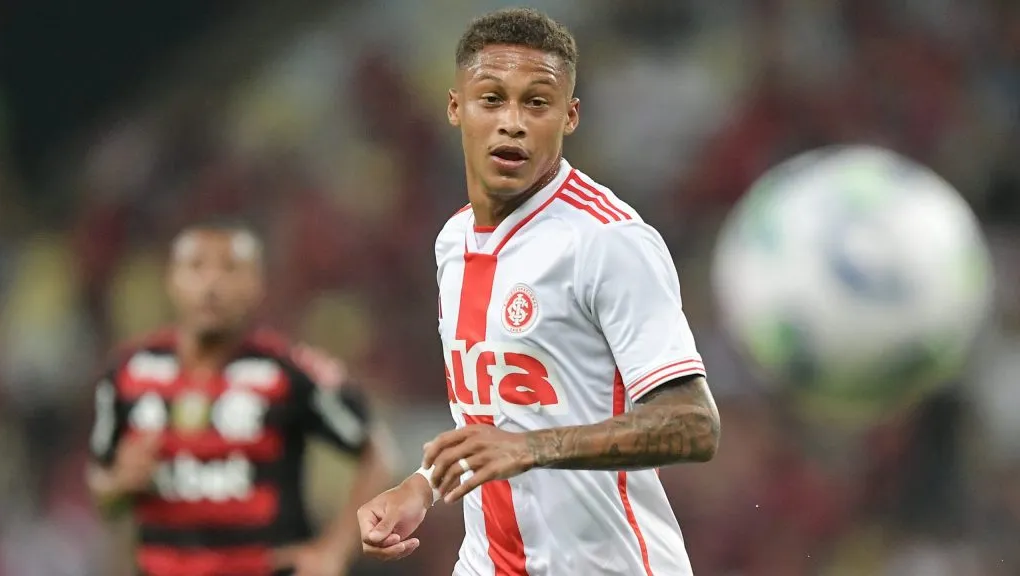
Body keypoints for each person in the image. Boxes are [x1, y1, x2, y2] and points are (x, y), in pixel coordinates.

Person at [356, 7, 721, 576]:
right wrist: (422, 488)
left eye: (536, 102)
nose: (513, 123)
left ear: (568, 116)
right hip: (488, 564)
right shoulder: (454, 241)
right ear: (456, 107)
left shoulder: (608, 241)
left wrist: (533, 448)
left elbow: (695, 424)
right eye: (492, 99)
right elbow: (493, 412)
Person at [86, 219, 394, 576]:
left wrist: (333, 551)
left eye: (230, 268)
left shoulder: (290, 373)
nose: (212, 284)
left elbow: (378, 454)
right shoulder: (126, 373)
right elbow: (101, 488)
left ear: (256, 285)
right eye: (197, 266)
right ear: (171, 280)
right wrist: (120, 483)